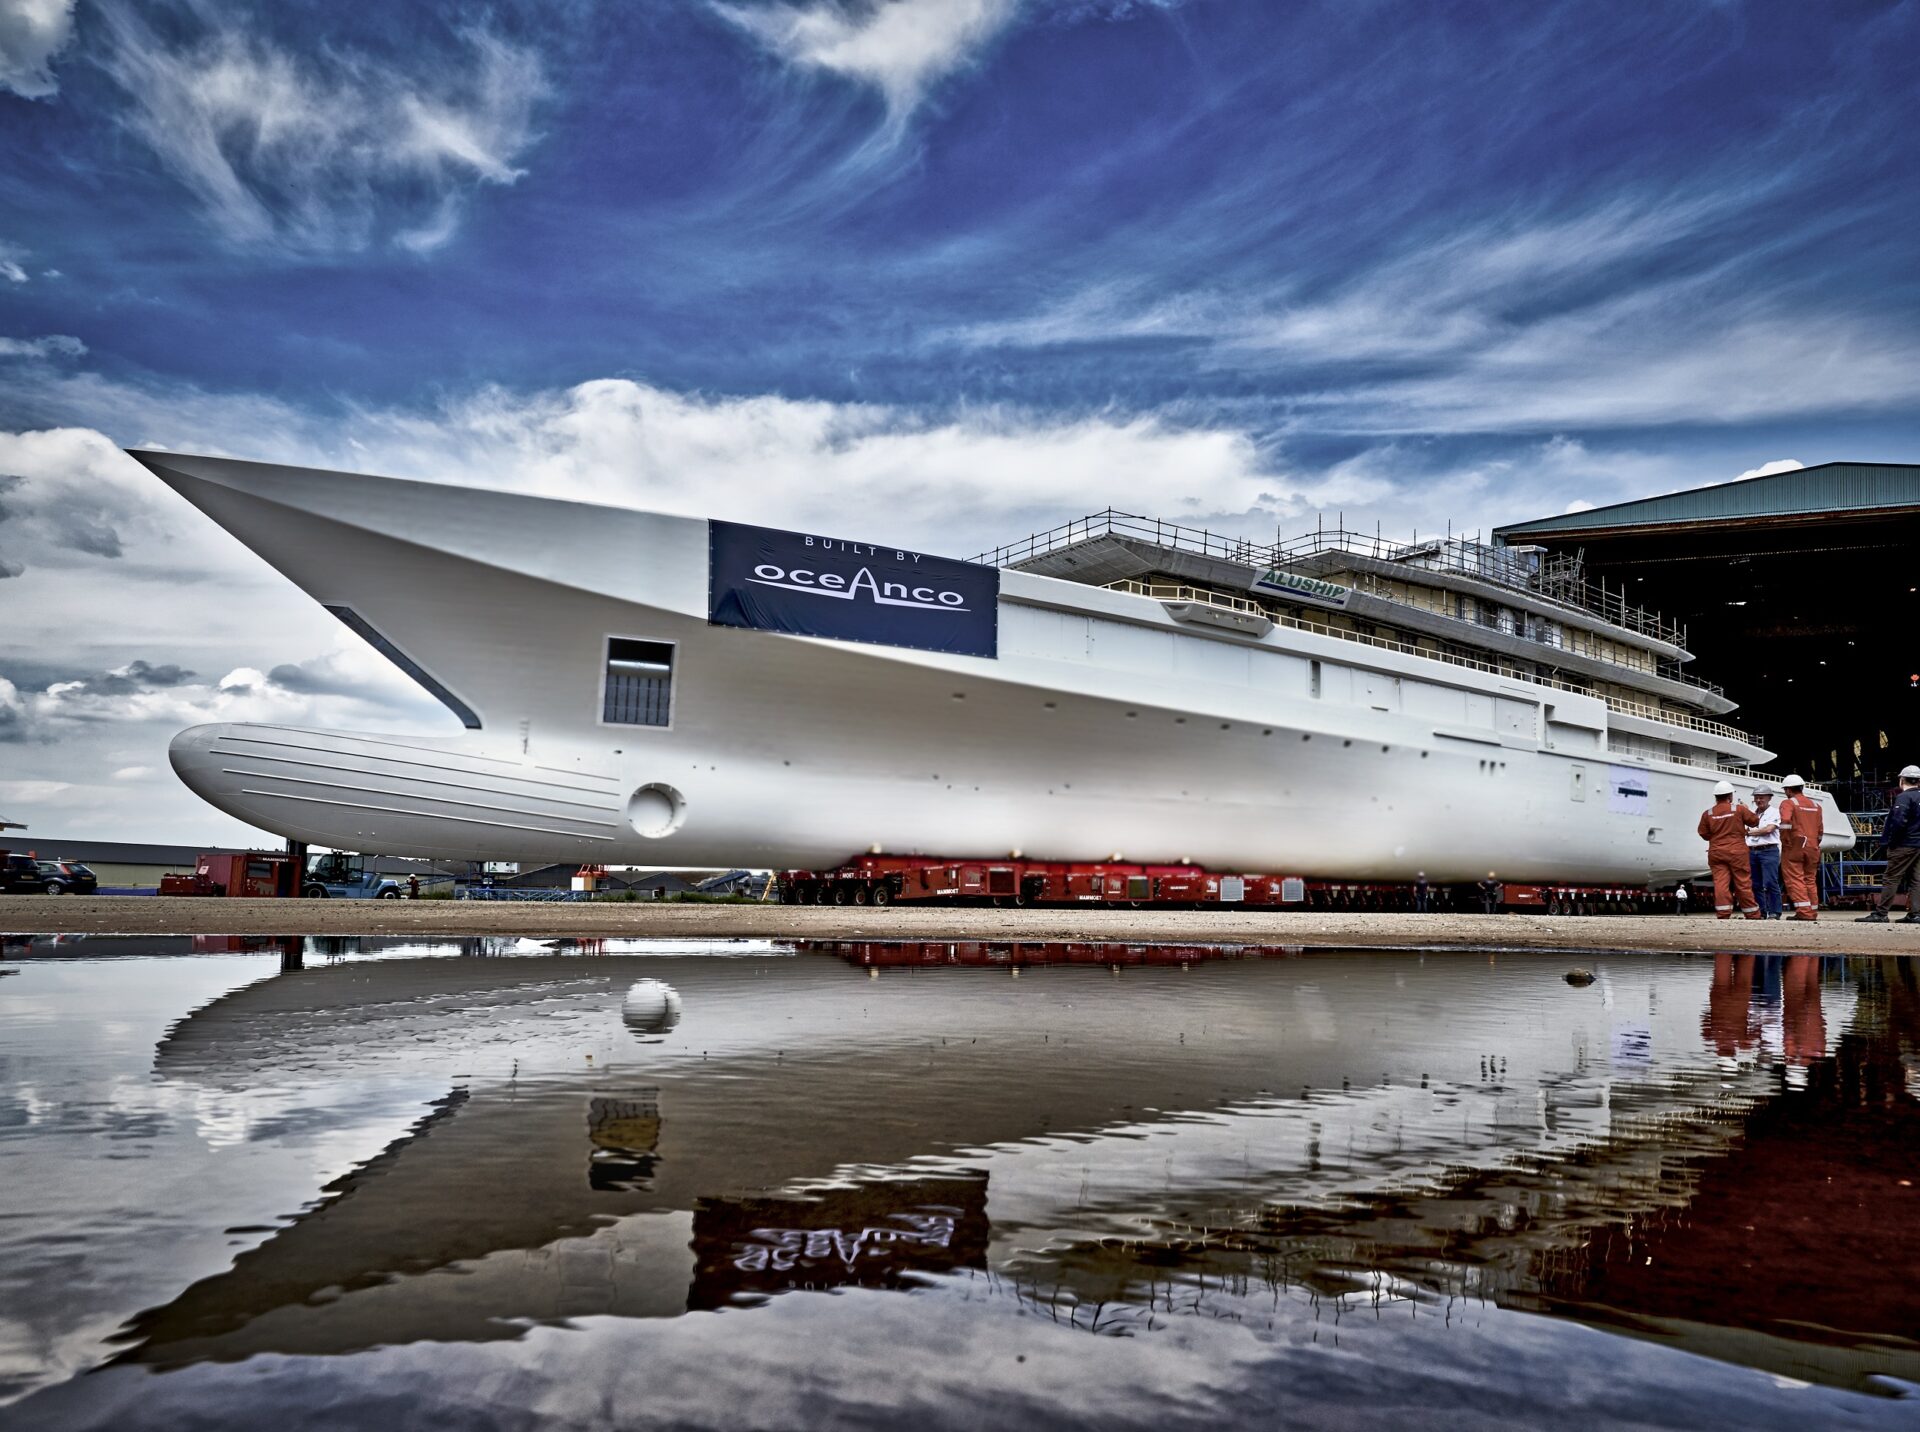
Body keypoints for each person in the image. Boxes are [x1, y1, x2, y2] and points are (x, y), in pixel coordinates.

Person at [1859, 764, 1920, 923]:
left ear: (1902, 780)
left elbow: (1899, 822)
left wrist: (1891, 842)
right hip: (1918, 845)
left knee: (1891, 878)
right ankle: (1916, 914)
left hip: (1904, 844)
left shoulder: (1903, 797)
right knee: (1916, 880)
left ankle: (1881, 913)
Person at [1696, 781, 1763, 920]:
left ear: (1716, 797)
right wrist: (1746, 808)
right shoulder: (1739, 809)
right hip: (1737, 852)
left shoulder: (1708, 813)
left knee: (1721, 883)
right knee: (1743, 882)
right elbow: (1754, 821)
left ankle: (1723, 913)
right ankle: (1752, 913)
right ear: (1730, 796)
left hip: (1716, 852)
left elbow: (1703, 833)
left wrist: (1716, 838)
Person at [1775, 775, 1825, 922]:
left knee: (1794, 878)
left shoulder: (1788, 803)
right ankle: (1812, 911)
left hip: (1795, 845)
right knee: (1810, 879)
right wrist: (1815, 842)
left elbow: (1785, 821)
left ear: (1788, 790)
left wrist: (1785, 840)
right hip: (1813, 846)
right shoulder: (1816, 806)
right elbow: (1820, 830)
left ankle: (1804, 912)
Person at [1745, 783, 1783, 919]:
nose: (1759, 800)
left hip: (1769, 851)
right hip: (1752, 851)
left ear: (1769, 798)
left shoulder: (1775, 812)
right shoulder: (1751, 814)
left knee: (1770, 882)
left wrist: (1750, 832)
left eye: (1762, 797)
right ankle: (1761, 912)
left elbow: (1769, 829)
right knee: (1755, 884)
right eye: (1756, 797)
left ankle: (1775, 912)